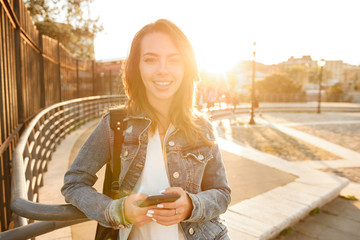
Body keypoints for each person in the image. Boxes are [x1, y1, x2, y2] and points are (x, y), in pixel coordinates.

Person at [61, 19, 231, 240]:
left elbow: (222, 194)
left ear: (186, 67)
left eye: (174, 60)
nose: (162, 70)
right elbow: (74, 183)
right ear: (137, 67)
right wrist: (116, 210)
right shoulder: (115, 125)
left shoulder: (202, 128)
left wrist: (192, 204)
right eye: (150, 60)